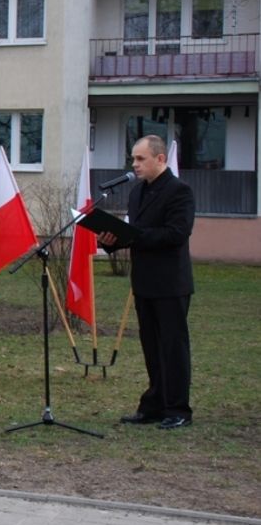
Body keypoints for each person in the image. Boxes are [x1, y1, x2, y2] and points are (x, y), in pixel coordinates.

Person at [98, 134, 195, 430]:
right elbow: (133, 231)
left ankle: (178, 408)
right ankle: (154, 404)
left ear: (160, 159)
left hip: (171, 284)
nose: (134, 165)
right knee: (151, 346)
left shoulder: (180, 191)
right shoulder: (137, 193)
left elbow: (176, 234)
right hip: (144, 282)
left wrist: (136, 235)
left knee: (172, 346)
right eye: (133, 159)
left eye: (140, 159)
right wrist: (111, 241)